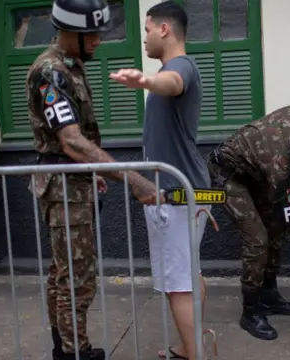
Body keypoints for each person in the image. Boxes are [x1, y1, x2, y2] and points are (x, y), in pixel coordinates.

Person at [26, 1, 162, 359]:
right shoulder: (51, 72)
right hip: (63, 187)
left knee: (64, 273)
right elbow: (70, 140)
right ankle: (75, 352)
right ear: (72, 32)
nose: (100, 41)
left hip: (72, 181)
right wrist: (132, 178)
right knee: (77, 279)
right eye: (94, 34)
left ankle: (65, 349)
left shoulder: (70, 66)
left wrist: (94, 172)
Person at [109, 1, 213, 359]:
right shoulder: (178, 67)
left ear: (164, 29)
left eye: (147, 29)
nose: (144, 38)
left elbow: (173, 83)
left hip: (176, 196)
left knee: (178, 285)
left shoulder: (178, 67)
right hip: (187, 192)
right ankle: (191, 344)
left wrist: (147, 80)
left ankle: (194, 353)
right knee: (189, 274)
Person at [206, 105, 290, 341]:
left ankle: (268, 295)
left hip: (256, 171)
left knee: (276, 228)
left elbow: (285, 219)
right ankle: (250, 311)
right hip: (229, 174)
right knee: (258, 240)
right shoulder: (279, 169)